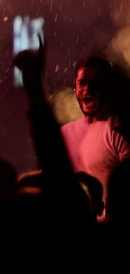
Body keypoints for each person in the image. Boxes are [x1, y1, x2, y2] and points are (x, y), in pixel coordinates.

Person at [60, 55, 130, 219]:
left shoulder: (118, 130)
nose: (87, 89)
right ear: (75, 87)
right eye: (82, 83)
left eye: (95, 83)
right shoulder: (65, 133)